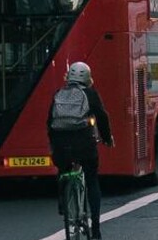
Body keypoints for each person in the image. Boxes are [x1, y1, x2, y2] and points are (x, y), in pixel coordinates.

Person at [47, 62, 113, 239]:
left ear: (68, 78)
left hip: (61, 145)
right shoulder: (90, 94)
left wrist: (53, 145)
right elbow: (102, 116)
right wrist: (107, 138)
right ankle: (96, 228)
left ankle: (63, 198)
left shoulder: (58, 94)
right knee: (91, 180)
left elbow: (50, 122)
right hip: (84, 144)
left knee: (63, 169)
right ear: (88, 78)